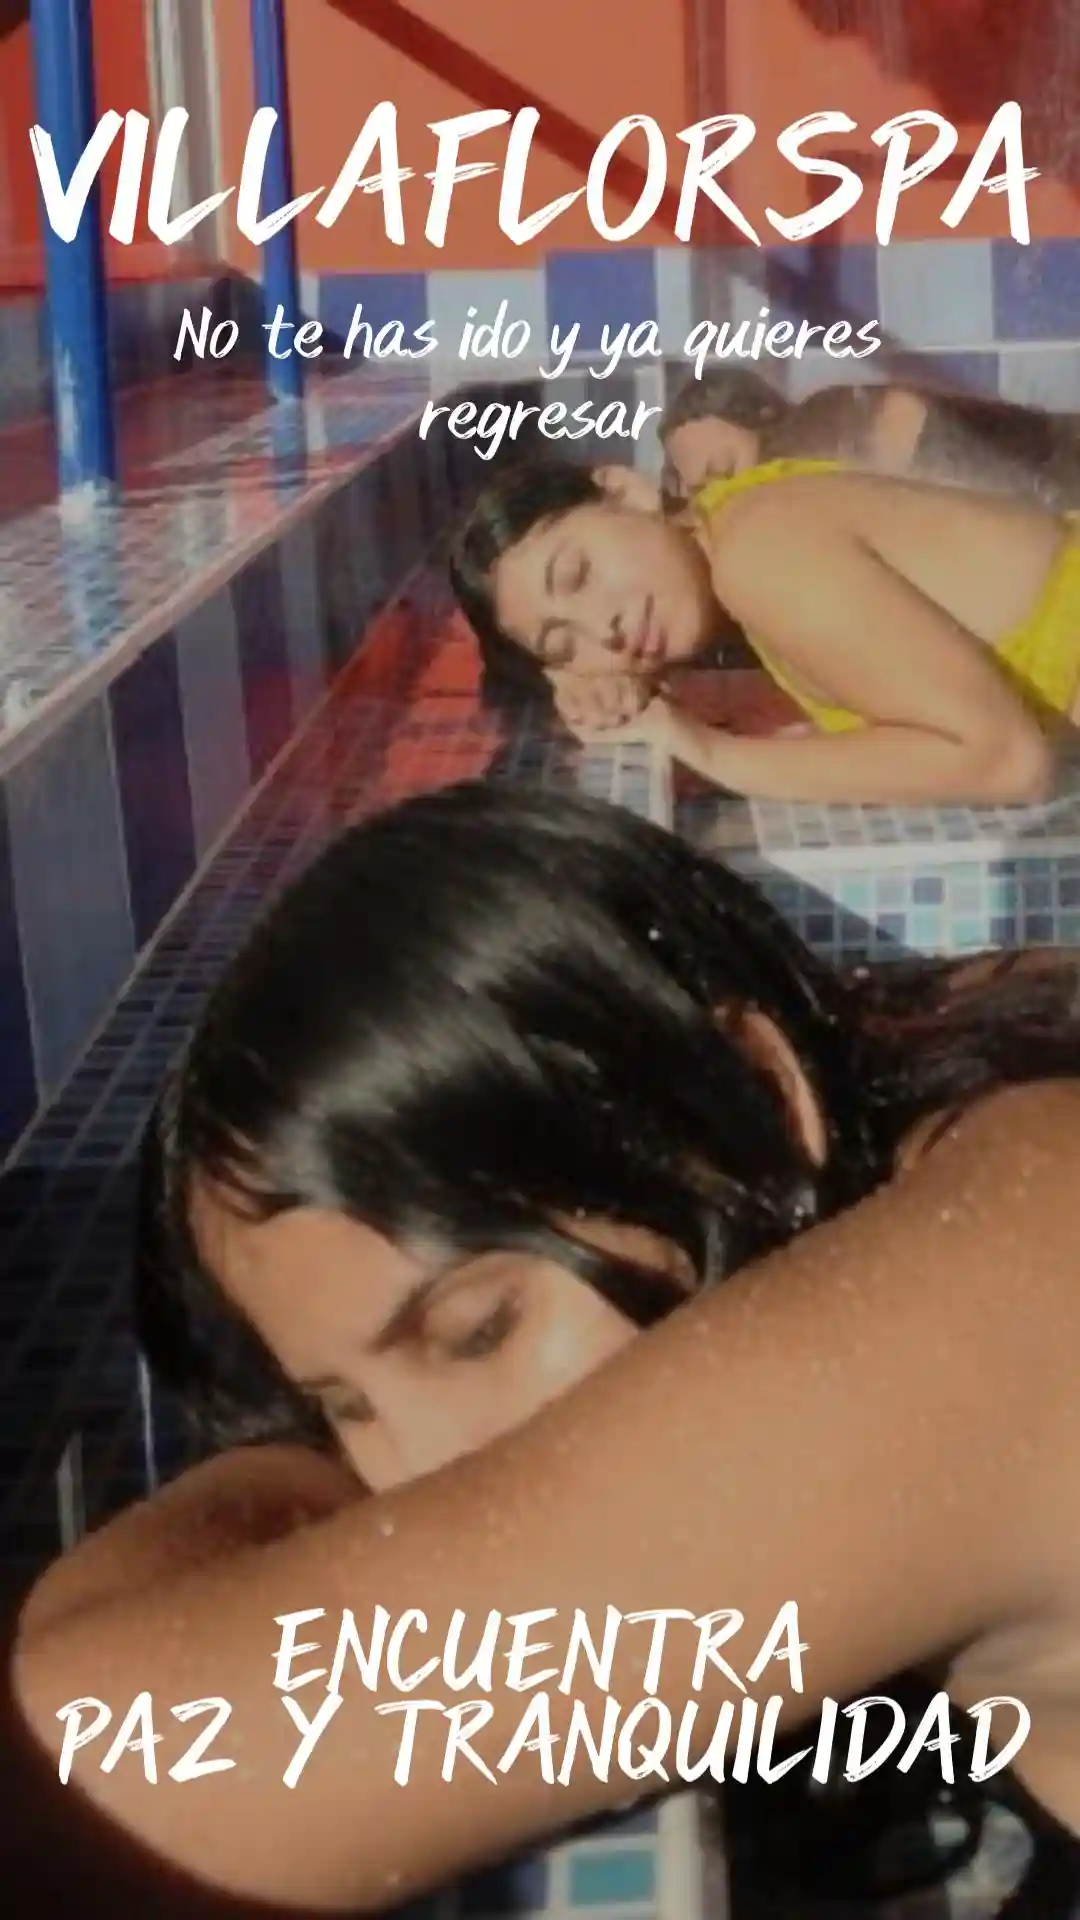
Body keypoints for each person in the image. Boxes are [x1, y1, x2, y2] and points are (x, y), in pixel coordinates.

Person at [12, 781, 1080, 1915]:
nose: (422, 1474)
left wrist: (285, 1482)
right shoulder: (955, 1076)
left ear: (758, 1097)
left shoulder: (1012, 1273)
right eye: (342, 1406)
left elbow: (96, 1766)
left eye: (480, 1329)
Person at [450, 451, 1080, 805]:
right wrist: (596, 687)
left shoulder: (761, 555)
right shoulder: (738, 520)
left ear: (625, 491)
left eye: (578, 573)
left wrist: (711, 752)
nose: (603, 628)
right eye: (565, 644)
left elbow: (1008, 762)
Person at [657, 367, 1080, 511]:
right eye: (705, 493)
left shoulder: (819, 427)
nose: (724, 497)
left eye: (725, 472)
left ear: (756, 413)